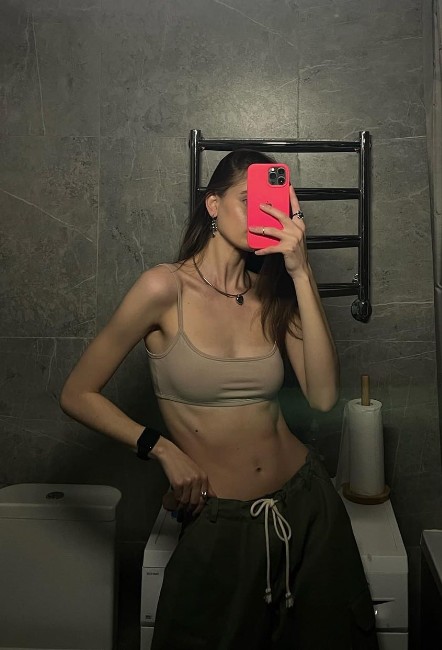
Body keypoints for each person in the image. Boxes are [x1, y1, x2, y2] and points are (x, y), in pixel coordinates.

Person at [60, 149, 378, 650]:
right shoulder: (163, 288)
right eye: (248, 200)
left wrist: (300, 272)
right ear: (213, 205)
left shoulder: (272, 292)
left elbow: (322, 397)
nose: (261, 213)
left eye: (270, 203)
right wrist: (161, 448)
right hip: (221, 521)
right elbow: (77, 393)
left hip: (308, 505)